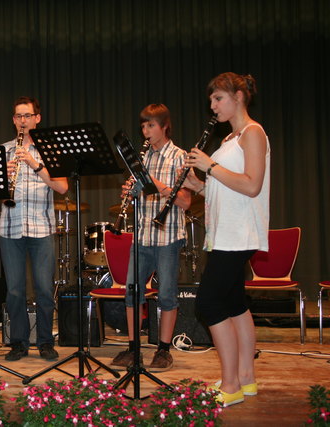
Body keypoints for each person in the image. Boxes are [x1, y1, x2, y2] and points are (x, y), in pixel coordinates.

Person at [183, 73, 269, 407]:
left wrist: (210, 165)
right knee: (234, 304)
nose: (212, 105)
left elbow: (252, 185)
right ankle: (246, 380)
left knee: (209, 303)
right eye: (211, 100)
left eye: (218, 98)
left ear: (237, 96)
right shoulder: (232, 138)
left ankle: (230, 384)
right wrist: (199, 185)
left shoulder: (253, 133)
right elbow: (229, 189)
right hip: (225, 232)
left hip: (240, 233)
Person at [111, 104, 191, 372]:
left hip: (167, 235)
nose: (145, 132)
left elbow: (186, 201)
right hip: (142, 234)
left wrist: (159, 186)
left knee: (167, 295)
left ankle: (164, 350)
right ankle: (134, 349)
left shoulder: (180, 157)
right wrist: (131, 193)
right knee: (133, 293)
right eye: (143, 126)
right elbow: (139, 195)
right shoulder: (141, 159)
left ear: (164, 126)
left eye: (151, 126)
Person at [0, 96, 68, 362]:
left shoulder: (51, 149)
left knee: (43, 287)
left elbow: (62, 187)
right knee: (14, 290)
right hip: (10, 227)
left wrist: (34, 163)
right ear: (13, 120)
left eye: (27, 116)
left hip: (42, 227)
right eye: (18, 116)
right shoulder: (3, 149)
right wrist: (2, 179)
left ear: (37, 118)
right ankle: (18, 342)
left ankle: (45, 341)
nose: (23, 121)